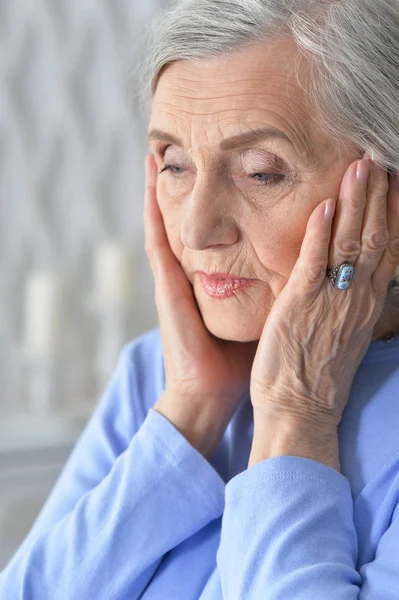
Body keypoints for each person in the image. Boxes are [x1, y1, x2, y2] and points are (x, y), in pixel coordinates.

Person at [1, 0, 399, 597]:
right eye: (175, 165)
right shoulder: (153, 375)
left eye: (262, 172)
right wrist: (191, 408)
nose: (194, 229)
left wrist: (297, 418)